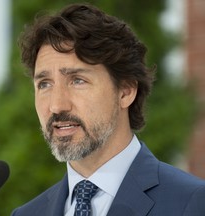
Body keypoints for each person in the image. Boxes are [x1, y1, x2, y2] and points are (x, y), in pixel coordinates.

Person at [12, 3, 205, 216]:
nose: (57, 105)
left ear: (125, 91)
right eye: (44, 84)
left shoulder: (192, 203)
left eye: (77, 80)